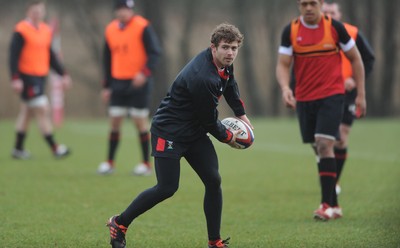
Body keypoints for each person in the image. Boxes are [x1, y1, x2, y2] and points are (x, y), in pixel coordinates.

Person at [105, 23, 253, 248]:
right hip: (169, 131)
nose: (230, 53)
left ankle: (215, 241)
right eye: (225, 47)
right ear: (213, 48)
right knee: (167, 188)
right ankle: (120, 223)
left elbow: (230, 85)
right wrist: (228, 137)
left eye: (234, 48)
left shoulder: (224, 65)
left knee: (213, 180)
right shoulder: (203, 77)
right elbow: (209, 120)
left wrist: (241, 115)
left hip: (194, 133)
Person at [276, 0, 366, 221]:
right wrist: (286, 88)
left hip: (332, 96)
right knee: (318, 148)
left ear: (321, 4)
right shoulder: (291, 30)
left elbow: (356, 59)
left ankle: (325, 205)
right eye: (304, 3)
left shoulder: (335, 27)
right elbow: (283, 64)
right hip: (304, 98)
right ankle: (334, 206)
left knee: (325, 143)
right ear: (299, 5)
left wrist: (361, 94)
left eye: (313, 3)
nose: (308, 8)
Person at [97, 0, 162, 176]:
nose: (123, 12)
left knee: (139, 121)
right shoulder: (110, 29)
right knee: (115, 121)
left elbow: (155, 52)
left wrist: (144, 73)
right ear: (115, 11)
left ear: (131, 10)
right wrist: (106, 85)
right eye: (120, 9)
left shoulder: (143, 26)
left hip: (139, 82)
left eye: (126, 9)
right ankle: (109, 162)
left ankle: (145, 164)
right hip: (118, 83)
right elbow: (107, 58)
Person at [321, 1, 375, 195]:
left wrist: (354, 79)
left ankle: (334, 181)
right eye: (325, 12)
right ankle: (325, 167)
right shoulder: (313, 34)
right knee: (321, 140)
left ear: (339, 13)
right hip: (321, 93)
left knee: (342, 138)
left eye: (332, 12)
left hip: (347, 94)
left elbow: (368, 59)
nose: (329, 16)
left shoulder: (352, 33)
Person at [9, 0, 71, 159]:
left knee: (27, 112)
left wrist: (62, 73)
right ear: (28, 11)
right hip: (27, 77)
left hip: (41, 76)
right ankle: (55, 148)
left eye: (40, 11)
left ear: (43, 12)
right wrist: (15, 78)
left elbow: (51, 55)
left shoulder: (45, 30)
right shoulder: (21, 30)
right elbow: (13, 56)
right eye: (34, 11)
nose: (37, 14)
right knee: (43, 109)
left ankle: (18, 149)